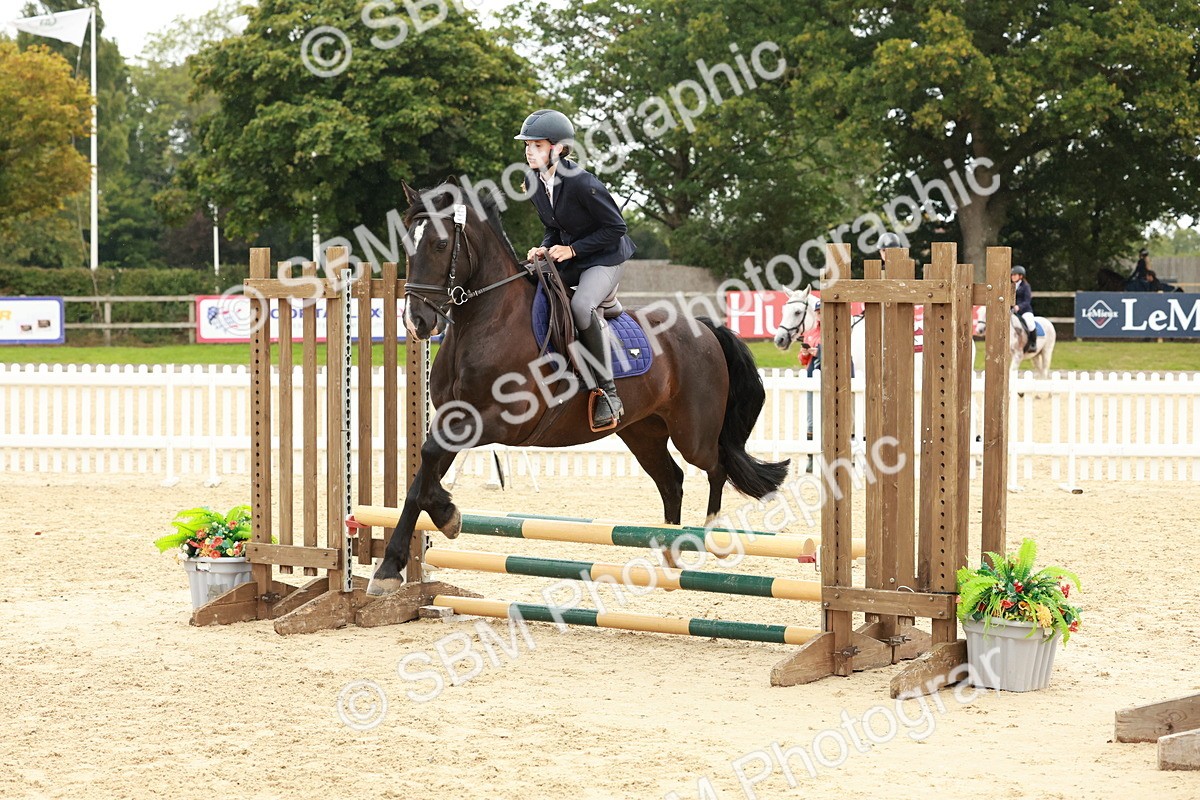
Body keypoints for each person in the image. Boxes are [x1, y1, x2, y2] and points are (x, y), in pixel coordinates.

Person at [517, 109, 636, 430]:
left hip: (606, 257)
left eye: (537, 145)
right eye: (527, 145)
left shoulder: (583, 183)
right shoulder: (532, 181)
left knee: (581, 306)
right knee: (526, 278)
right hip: (575, 257)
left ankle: (608, 393)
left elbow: (616, 228)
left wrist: (572, 249)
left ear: (558, 148)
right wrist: (544, 247)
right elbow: (554, 227)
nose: (529, 151)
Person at [1011, 265, 1037, 352]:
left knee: (1030, 324)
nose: (1013, 276)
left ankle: (1033, 344)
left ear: (1021, 276)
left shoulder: (1026, 286)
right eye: (1012, 275)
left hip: (1025, 311)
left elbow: (1027, 301)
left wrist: (1019, 306)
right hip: (1013, 311)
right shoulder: (1010, 286)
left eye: (1015, 275)